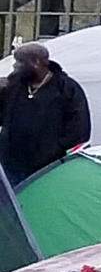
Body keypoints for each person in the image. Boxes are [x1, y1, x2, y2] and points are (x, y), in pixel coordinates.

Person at [0, 42, 89, 187]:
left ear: (36, 62)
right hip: (10, 164)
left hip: (46, 168)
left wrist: (52, 150)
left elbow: (80, 130)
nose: (15, 66)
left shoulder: (67, 89)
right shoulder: (14, 84)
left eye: (20, 61)